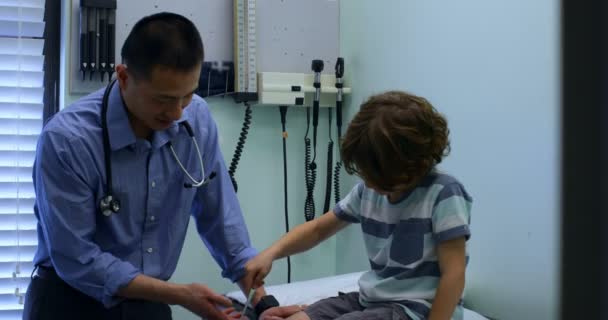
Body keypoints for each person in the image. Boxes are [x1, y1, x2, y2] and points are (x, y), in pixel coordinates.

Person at [24, 12, 294, 320]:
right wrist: (180, 295)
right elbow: (76, 258)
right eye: (163, 100)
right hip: (70, 303)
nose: (177, 113)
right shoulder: (68, 141)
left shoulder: (197, 122)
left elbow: (223, 225)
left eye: (188, 95)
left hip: (149, 303)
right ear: (123, 77)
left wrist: (262, 305)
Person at [244, 91, 473, 320]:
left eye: (378, 175)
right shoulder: (368, 191)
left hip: (415, 310)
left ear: (412, 164)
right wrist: (271, 254)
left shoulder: (443, 194)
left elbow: (453, 273)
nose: (370, 182)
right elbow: (317, 230)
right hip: (370, 301)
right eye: (366, 173)